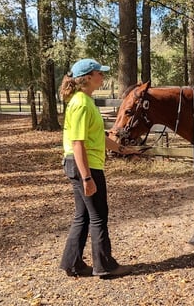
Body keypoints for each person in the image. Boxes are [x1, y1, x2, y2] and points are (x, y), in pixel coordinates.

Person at [59, 58, 140, 278]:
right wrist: (87, 178)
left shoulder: (85, 101)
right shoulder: (81, 104)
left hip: (81, 164)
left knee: (83, 216)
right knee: (98, 217)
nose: (102, 76)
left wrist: (123, 150)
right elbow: (78, 143)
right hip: (85, 166)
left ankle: (72, 263)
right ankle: (105, 266)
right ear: (87, 77)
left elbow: (98, 136)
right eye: (99, 73)